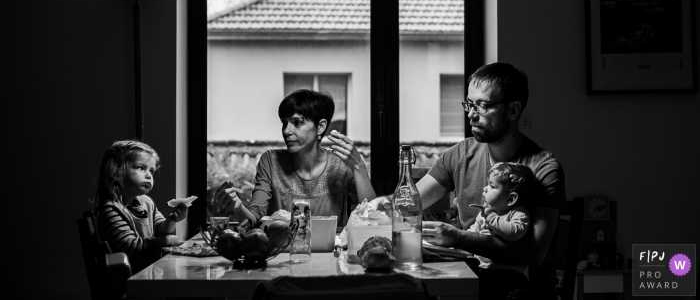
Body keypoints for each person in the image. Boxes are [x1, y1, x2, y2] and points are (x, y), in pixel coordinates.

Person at [372, 62, 566, 299]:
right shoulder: (460, 153)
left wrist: (459, 238)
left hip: (523, 291)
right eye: (469, 104)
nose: (471, 115)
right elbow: (410, 202)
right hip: (471, 279)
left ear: (513, 110)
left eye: (482, 106)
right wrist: (383, 204)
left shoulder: (544, 168)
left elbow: (534, 253)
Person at [215, 89, 376, 226]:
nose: (286, 130)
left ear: (320, 127)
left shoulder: (343, 164)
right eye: (284, 123)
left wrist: (358, 167)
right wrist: (237, 207)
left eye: (297, 122)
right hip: (282, 258)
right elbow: (253, 220)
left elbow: (372, 219)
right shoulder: (271, 162)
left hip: (332, 257)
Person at [94, 140, 188, 273]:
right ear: (116, 172)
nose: (149, 175)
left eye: (152, 171)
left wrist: (172, 220)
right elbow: (130, 247)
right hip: (133, 281)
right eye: (140, 168)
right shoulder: (111, 210)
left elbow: (159, 229)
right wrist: (161, 242)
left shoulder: (146, 202)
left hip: (150, 273)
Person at [467, 162, 536, 298]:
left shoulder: (518, 214)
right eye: (488, 184)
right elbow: (473, 233)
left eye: (492, 186)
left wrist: (491, 217)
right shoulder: (483, 214)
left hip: (511, 278)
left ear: (510, 198)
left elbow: (513, 233)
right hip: (483, 272)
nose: (485, 188)